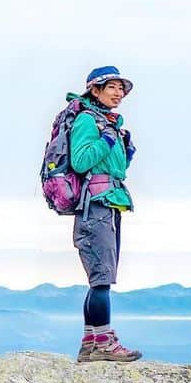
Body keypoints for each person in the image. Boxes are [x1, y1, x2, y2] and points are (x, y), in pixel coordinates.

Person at [69, 64, 141, 362]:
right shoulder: (88, 121)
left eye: (121, 88)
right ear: (94, 90)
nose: (119, 93)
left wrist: (124, 149)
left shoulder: (107, 123)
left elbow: (112, 168)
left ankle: (91, 340)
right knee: (102, 278)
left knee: (101, 276)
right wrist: (108, 139)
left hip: (110, 200)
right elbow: (81, 160)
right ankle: (104, 342)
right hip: (96, 204)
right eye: (112, 87)